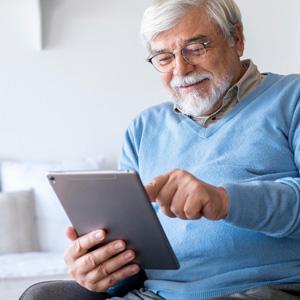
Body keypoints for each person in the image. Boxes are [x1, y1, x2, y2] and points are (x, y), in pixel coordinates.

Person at [20, 0, 300, 299]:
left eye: (196, 48)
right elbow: (133, 258)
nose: (181, 68)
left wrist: (224, 200)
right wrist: (104, 272)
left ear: (237, 38)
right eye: (164, 57)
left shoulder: (291, 98)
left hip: (261, 289)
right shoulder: (144, 127)